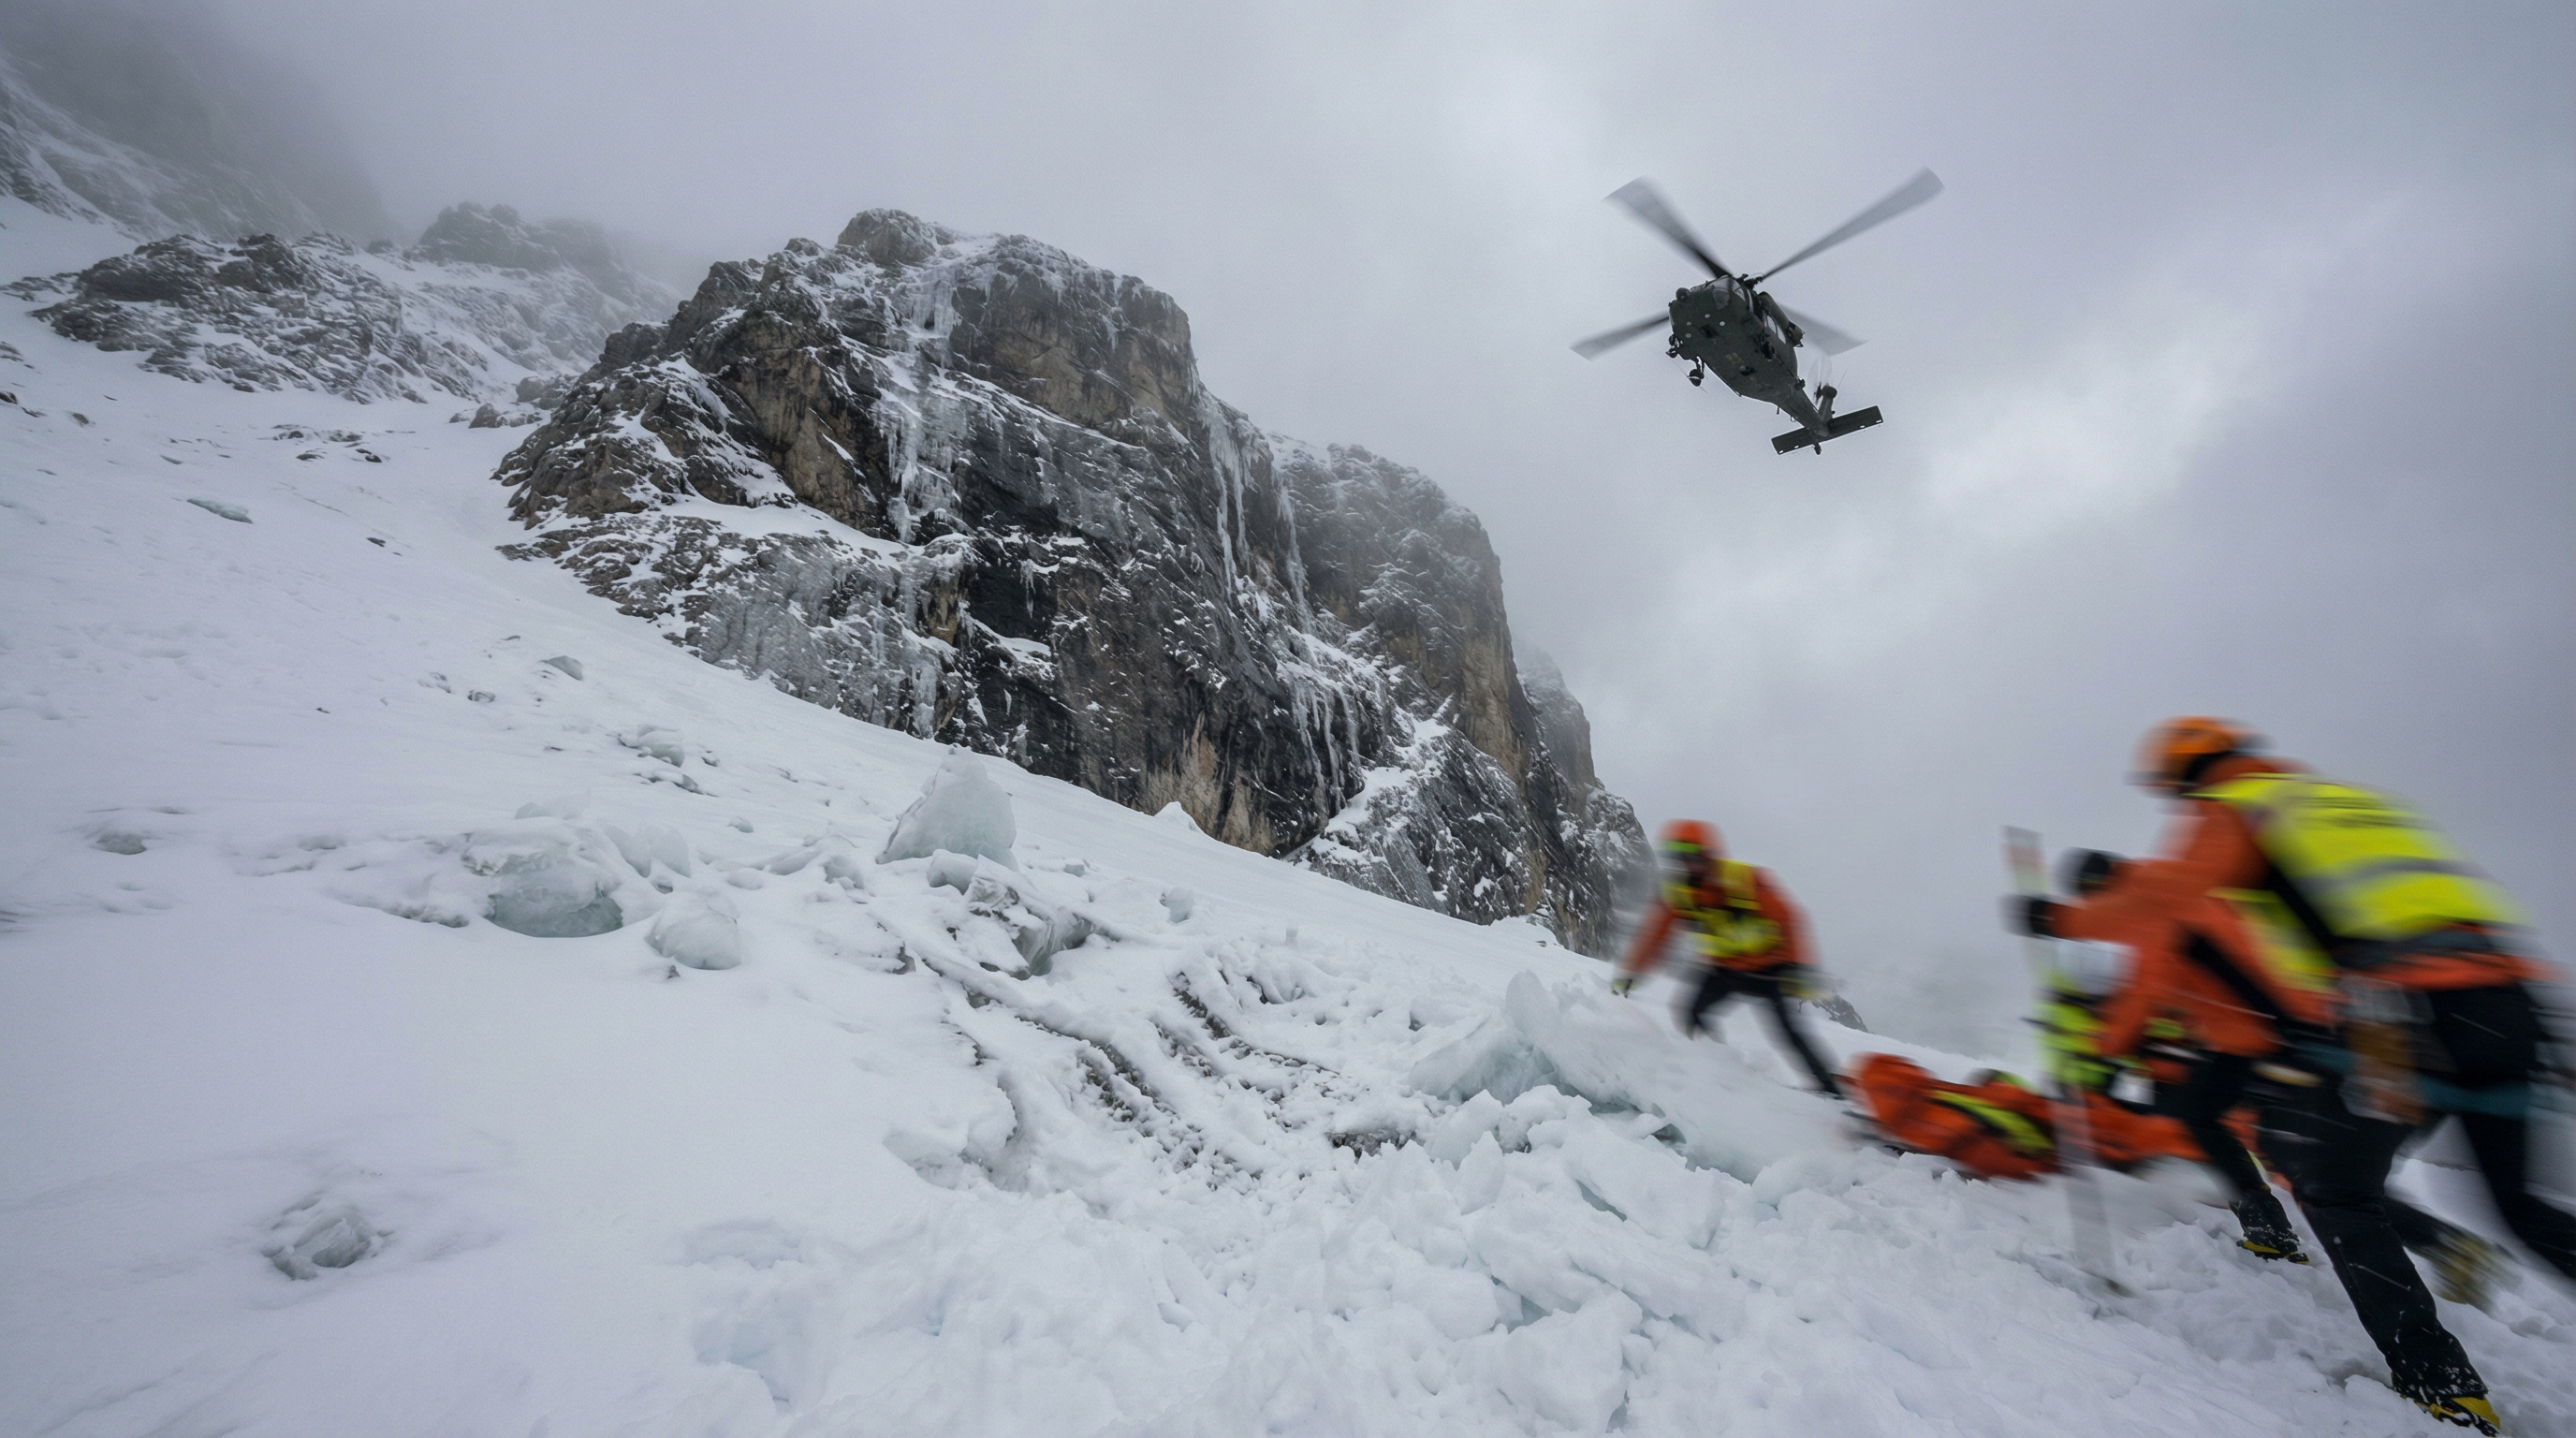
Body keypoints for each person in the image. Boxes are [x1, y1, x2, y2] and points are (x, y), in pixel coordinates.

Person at [2015, 716, 2571, 1434]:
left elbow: (2159, 922)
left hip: (2397, 1018)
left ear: (2190, 774)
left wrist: (2061, 924)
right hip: (2508, 1000)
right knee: (2520, 1205)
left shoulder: (2236, 810)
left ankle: (2444, 1385)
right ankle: (2389, 1250)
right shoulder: (2342, 802)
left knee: (2332, 1184)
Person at [2028, 847, 2329, 1263]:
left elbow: (2148, 991)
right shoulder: (2170, 893)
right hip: (2267, 1028)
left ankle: (2297, 1229)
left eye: (2090, 899)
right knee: (2234, 1132)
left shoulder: (2152, 910)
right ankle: (2275, 1229)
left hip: (2255, 1034)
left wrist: (2106, 1045)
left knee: (2253, 1142)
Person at [1613, 819, 1843, 1097]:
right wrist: (1632, 973)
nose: (1688, 864)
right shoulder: (1680, 894)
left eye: (1693, 857)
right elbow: (1656, 937)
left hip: (1770, 972)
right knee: (1692, 1014)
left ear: (1709, 855)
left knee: (1790, 1034)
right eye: (1681, 858)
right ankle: (1718, 1071)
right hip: (1724, 972)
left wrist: (1799, 968)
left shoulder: (1745, 881)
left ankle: (1831, 1091)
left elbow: (1789, 918)